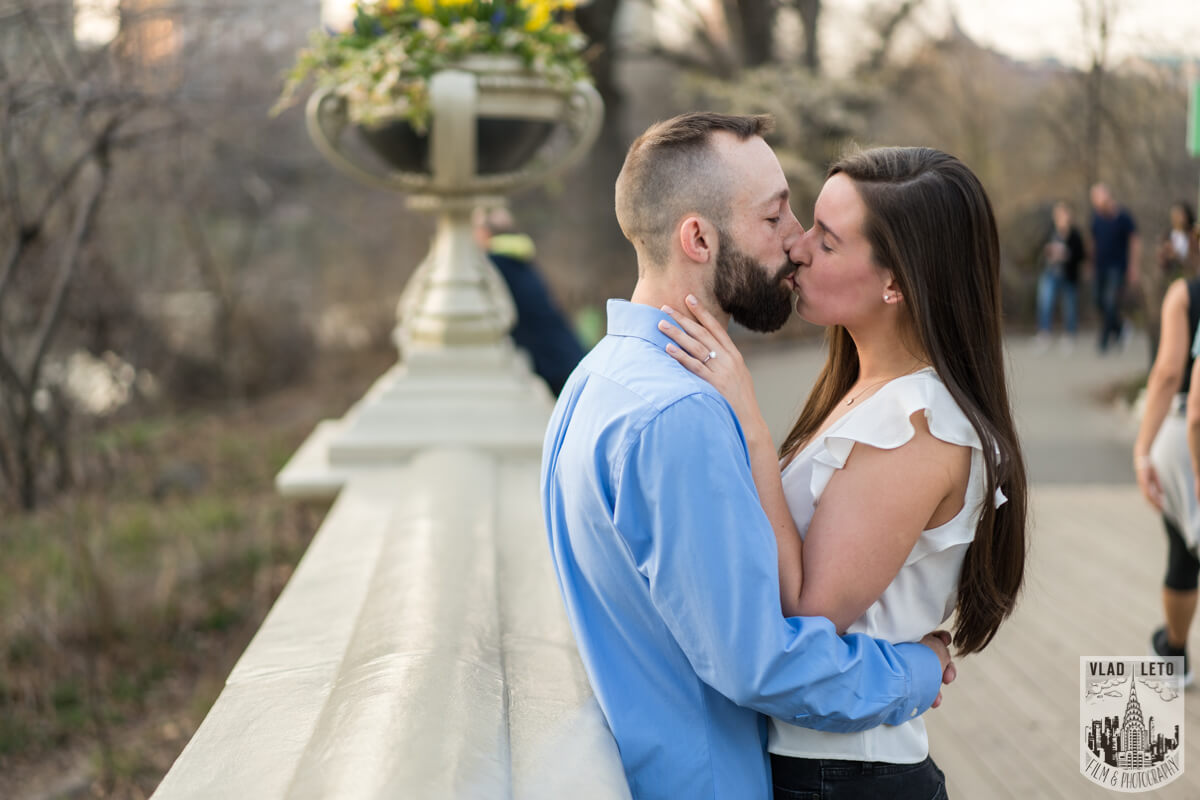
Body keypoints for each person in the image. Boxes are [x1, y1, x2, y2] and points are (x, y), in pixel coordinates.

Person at [539, 114, 954, 800]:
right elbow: (761, 664)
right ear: (699, 239)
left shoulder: (593, 380)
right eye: (773, 216)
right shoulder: (681, 415)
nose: (796, 240)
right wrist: (916, 671)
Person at [659, 146, 1028, 799]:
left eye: (827, 242)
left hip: (846, 776)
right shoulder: (868, 392)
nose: (796, 247)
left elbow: (807, 613)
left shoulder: (917, 425)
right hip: (824, 767)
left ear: (897, 283)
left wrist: (750, 424)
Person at [1134, 272, 1200, 688]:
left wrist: (1143, 450)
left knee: (1183, 550)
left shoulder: (1185, 294)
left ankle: (1174, 652)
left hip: (1184, 434)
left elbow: (1168, 373)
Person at [473, 207, 585, 396]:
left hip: (551, 362)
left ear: (484, 233)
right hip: (565, 355)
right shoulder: (515, 259)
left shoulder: (495, 264)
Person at [1090, 183, 1141, 353]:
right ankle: (1120, 328)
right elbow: (1093, 241)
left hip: (1117, 267)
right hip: (1100, 266)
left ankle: (1104, 341)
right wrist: (1090, 263)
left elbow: (1134, 241)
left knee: (1110, 301)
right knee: (1099, 301)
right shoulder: (1096, 218)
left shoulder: (1123, 217)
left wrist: (1133, 266)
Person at [1035, 201, 1086, 351]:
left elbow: (1081, 255)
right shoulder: (1050, 232)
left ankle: (1070, 334)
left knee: (1069, 305)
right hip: (1050, 273)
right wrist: (1049, 251)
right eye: (1058, 214)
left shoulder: (1075, 234)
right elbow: (1040, 249)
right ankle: (1044, 333)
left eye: (1063, 214)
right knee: (1045, 302)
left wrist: (1067, 255)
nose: (1060, 217)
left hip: (1068, 275)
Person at [1156, 201, 1200, 282]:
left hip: (1190, 275)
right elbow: (1162, 261)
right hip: (1172, 275)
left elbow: (1195, 258)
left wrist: (1178, 256)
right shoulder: (1168, 236)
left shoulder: (1193, 235)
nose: (1176, 218)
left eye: (1179, 215)